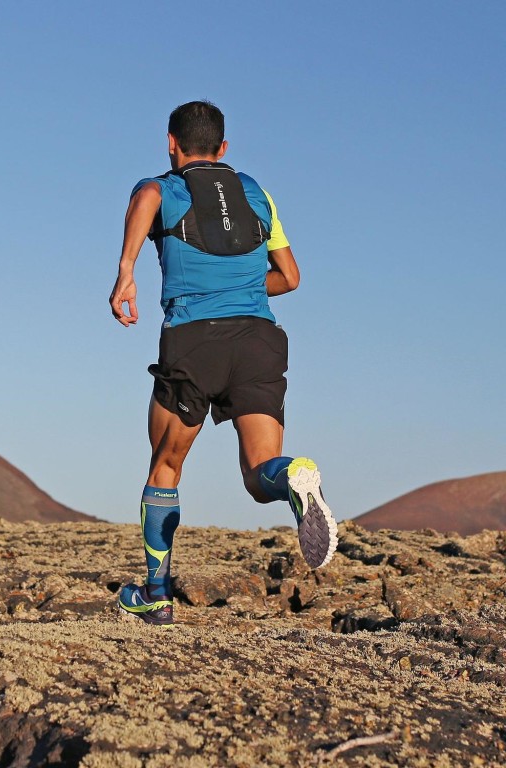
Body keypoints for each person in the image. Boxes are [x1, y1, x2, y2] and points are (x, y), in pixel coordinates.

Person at [109, 101, 337, 626]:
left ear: (172, 143)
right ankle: (296, 477)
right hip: (259, 338)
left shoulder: (164, 187)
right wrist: (240, 289)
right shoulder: (257, 193)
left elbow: (144, 195)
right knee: (260, 475)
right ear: (225, 149)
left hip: (194, 341)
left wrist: (126, 270)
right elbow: (291, 277)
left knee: (165, 468)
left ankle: (157, 596)